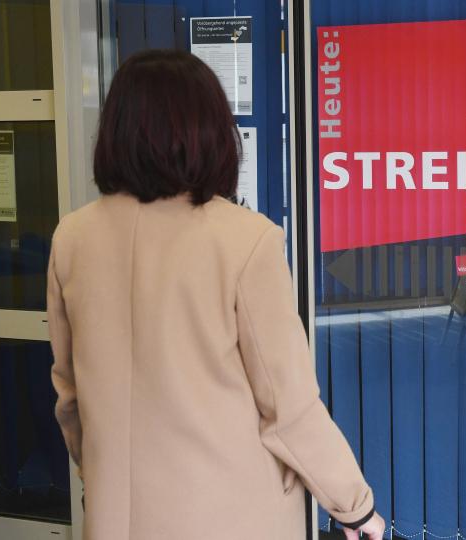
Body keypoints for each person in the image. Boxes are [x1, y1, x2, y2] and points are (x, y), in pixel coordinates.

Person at [47, 50, 385, 540]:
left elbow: (70, 396)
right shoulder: (247, 241)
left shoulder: (72, 238)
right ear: (209, 133)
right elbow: (288, 407)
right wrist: (354, 507)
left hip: (115, 517)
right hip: (233, 517)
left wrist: (101, 482)